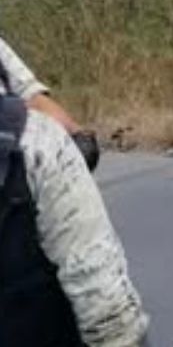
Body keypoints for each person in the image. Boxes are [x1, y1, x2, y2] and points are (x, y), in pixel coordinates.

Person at [0, 35, 150, 346]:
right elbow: (111, 320)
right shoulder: (38, 144)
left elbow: (30, 94)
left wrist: (74, 137)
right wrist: (70, 143)